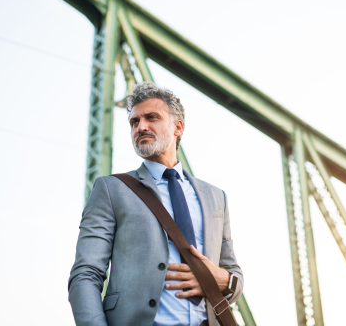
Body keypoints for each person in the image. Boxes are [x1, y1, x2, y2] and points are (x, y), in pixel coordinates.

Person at [68, 82, 243, 326]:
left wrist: (223, 280)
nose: (141, 127)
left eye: (152, 117)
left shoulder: (215, 196)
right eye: (134, 122)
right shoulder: (111, 189)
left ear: (178, 127)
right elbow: (86, 274)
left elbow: (233, 273)